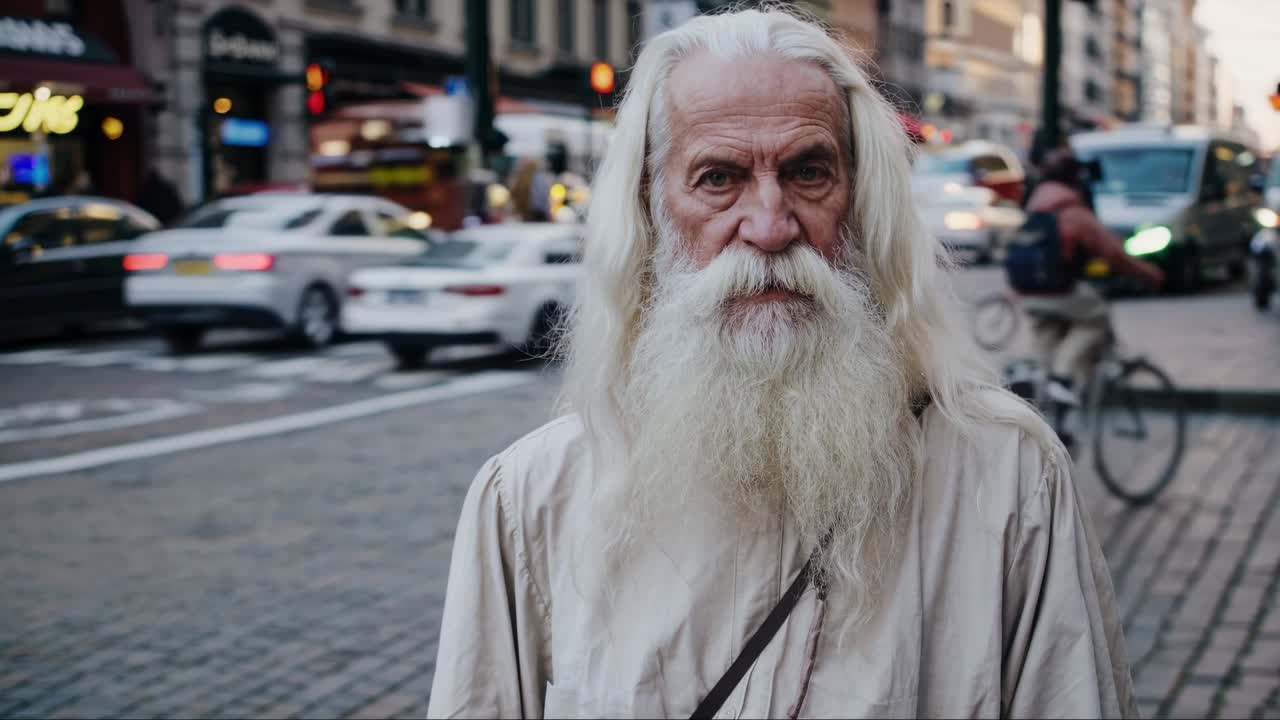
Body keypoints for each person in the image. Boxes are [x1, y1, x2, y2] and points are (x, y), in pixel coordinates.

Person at [428, 8, 1137, 719]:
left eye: (808, 172)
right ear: (651, 208)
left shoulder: (1008, 478)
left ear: (860, 201)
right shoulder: (528, 503)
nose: (770, 226)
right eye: (717, 179)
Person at [1016, 149, 1164, 411]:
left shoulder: (1035, 207)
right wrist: (1149, 274)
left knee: (1046, 344)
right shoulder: (1073, 211)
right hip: (1060, 289)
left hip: (1028, 293)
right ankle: (1063, 379)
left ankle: (1048, 408)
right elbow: (1114, 254)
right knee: (1096, 317)